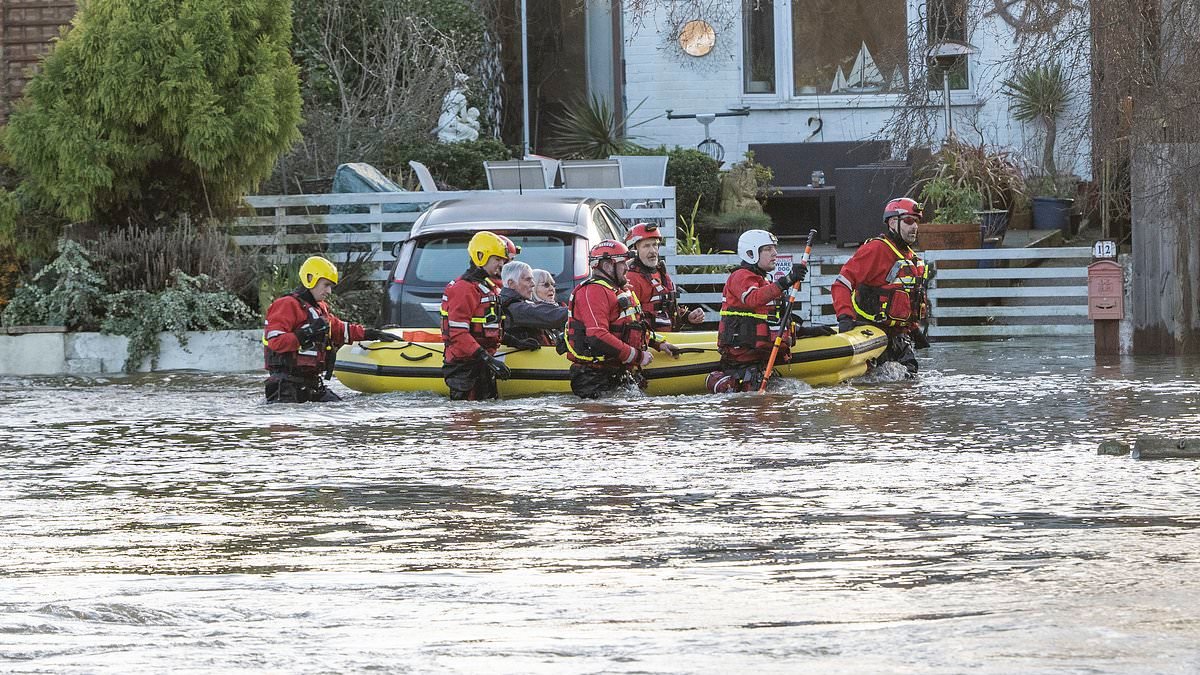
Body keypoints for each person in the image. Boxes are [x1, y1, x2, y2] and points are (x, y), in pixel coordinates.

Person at [262, 256, 397, 403]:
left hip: (311, 385)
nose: (329, 291)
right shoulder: (286, 305)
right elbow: (276, 342)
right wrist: (308, 333)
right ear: (310, 279)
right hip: (285, 388)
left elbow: (339, 329)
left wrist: (371, 333)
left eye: (330, 286)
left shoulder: (319, 309)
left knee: (342, 410)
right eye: (326, 285)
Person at [564, 239, 678, 399]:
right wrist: (636, 356)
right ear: (607, 266)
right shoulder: (592, 291)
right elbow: (597, 336)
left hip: (619, 371)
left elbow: (633, 327)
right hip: (595, 377)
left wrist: (658, 343)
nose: (627, 267)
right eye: (623, 263)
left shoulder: (619, 290)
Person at [831, 197, 931, 375]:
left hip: (899, 337)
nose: (914, 226)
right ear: (893, 222)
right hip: (873, 333)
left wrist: (913, 329)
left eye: (916, 221)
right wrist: (845, 317)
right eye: (909, 220)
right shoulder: (875, 250)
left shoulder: (910, 257)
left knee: (909, 387)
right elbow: (841, 284)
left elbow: (906, 300)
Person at [708, 229, 807, 393]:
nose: (775, 253)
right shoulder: (740, 277)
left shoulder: (765, 281)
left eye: (774, 248)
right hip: (742, 362)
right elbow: (753, 299)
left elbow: (774, 321)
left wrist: (803, 331)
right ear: (750, 252)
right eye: (768, 249)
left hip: (760, 359)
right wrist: (787, 280)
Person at [440, 231, 517, 400]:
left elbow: (488, 327)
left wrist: (515, 342)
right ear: (481, 256)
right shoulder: (464, 289)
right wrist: (488, 359)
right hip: (465, 368)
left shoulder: (487, 287)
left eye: (503, 260)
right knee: (467, 420)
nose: (501, 265)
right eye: (497, 259)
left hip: (481, 362)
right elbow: (458, 334)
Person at [624, 222, 705, 332]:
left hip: (667, 340)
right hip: (650, 344)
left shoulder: (659, 272)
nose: (653, 251)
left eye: (655, 245)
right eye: (646, 246)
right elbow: (629, 321)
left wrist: (688, 316)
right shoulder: (631, 278)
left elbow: (665, 307)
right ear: (634, 250)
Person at [499, 260, 568, 347]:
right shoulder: (513, 308)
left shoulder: (515, 304)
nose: (533, 284)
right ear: (511, 284)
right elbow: (552, 317)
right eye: (528, 280)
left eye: (532, 279)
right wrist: (579, 310)